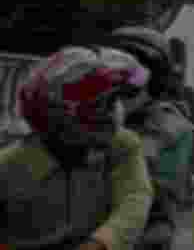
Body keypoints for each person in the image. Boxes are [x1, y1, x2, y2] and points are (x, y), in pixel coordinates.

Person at [1, 46, 155, 250]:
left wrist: (100, 243)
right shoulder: (9, 166)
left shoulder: (122, 145)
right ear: (61, 114)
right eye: (102, 105)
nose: (112, 114)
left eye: (113, 102)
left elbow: (135, 198)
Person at [106, 27, 194, 244]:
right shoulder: (100, 114)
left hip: (144, 232)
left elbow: (154, 191)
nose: (120, 84)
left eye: (130, 75)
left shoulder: (169, 126)